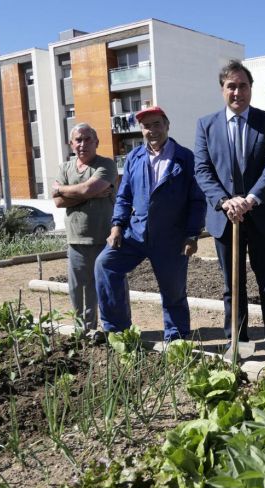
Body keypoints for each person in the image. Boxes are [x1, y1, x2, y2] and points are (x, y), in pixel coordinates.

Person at [194, 60, 265, 367]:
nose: (237, 92)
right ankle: (237, 342)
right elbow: (202, 169)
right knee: (231, 286)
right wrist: (226, 202)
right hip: (226, 219)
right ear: (222, 89)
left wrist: (249, 199)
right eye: (231, 86)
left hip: (261, 216)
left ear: (251, 89)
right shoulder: (206, 125)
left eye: (243, 86)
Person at [95, 106, 206, 340]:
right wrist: (117, 226)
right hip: (135, 234)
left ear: (167, 125)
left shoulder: (185, 158)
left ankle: (176, 340)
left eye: (157, 124)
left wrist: (192, 235)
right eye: (147, 126)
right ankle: (117, 330)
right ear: (141, 130)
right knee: (105, 264)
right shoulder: (135, 157)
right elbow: (124, 196)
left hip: (171, 238)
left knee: (173, 292)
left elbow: (197, 200)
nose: (152, 130)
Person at [53, 123, 116, 339]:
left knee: (106, 286)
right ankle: (85, 330)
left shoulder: (106, 164)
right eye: (78, 140)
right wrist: (84, 192)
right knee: (78, 289)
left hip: (105, 238)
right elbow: (58, 202)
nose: (83, 144)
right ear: (71, 144)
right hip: (76, 239)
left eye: (88, 139)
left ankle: (113, 330)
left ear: (96, 142)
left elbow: (89, 188)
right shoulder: (65, 168)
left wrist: (64, 189)